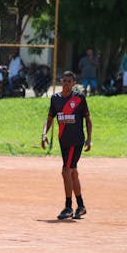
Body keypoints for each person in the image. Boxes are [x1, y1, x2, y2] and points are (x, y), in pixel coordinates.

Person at [41, 71, 93, 220]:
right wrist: (44, 134)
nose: (66, 84)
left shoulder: (79, 98)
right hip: (63, 140)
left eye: (70, 81)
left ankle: (69, 206)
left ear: (74, 83)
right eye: (64, 81)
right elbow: (50, 118)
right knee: (73, 172)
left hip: (76, 140)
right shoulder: (55, 99)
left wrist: (89, 139)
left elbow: (88, 120)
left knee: (66, 171)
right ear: (60, 81)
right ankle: (81, 206)